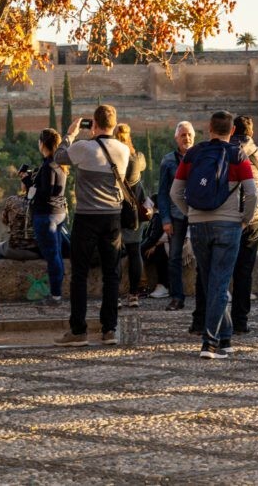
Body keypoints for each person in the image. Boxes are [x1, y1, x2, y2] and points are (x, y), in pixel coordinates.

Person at [170, 110, 257, 360]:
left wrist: (191, 214)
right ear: (232, 131)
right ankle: (209, 344)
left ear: (209, 129)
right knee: (219, 284)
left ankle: (226, 338)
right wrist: (245, 220)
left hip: (198, 225)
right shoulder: (237, 154)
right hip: (229, 226)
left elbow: (176, 192)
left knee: (212, 284)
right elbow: (251, 193)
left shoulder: (194, 153)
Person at [53, 105, 136, 347]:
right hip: (112, 217)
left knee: (79, 274)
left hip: (86, 217)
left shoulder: (83, 147)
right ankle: (109, 329)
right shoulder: (123, 150)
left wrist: (70, 134)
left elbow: (59, 156)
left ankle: (78, 330)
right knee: (112, 274)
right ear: (114, 123)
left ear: (95, 125)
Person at [227, 115, 258, 333]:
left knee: (222, 268)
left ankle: (214, 318)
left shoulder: (225, 150)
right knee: (244, 272)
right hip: (253, 217)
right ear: (251, 132)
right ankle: (240, 321)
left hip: (228, 214)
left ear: (233, 130)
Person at [158, 121, 195, 311]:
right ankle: (177, 297)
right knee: (173, 258)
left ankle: (204, 297)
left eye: (189, 135)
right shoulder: (168, 161)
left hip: (198, 214)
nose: (186, 138)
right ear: (176, 138)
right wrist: (165, 220)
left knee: (205, 256)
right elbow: (162, 192)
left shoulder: (200, 158)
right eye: (183, 135)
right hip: (176, 215)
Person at [29, 129, 68, 306]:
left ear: (42, 144)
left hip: (46, 215)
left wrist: (31, 186)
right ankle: (56, 292)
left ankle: (56, 295)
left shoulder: (48, 166)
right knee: (57, 254)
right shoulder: (59, 165)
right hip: (59, 213)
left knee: (52, 256)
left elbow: (46, 192)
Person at [115, 123, 148, 308]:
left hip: (114, 210)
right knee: (135, 252)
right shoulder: (137, 158)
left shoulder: (111, 158)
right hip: (134, 212)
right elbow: (142, 165)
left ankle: (116, 295)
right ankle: (134, 294)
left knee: (116, 254)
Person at [0, 178, 40, 260]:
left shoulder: (12, 200)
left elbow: (5, 221)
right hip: (36, 252)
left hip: (14, 249)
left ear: (24, 186)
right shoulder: (44, 203)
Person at [139, 194, 170, 299]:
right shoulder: (160, 216)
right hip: (161, 245)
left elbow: (153, 237)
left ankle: (159, 285)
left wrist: (141, 247)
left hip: (164, 248)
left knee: (157, 254)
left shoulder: (158, 217)